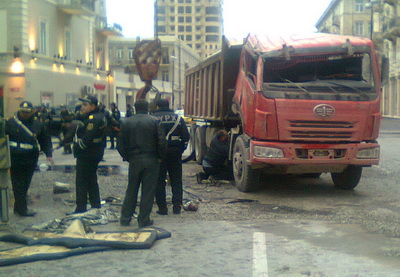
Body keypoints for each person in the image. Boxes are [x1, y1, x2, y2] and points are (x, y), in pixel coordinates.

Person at [117, 99, 166, 227]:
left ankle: (125, 218)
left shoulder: (126, 122)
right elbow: (161, 141)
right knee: (148, 190)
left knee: (132, 189)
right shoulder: (154, 121)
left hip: (134, 159)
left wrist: (127, 157)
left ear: (135, 108)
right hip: (152, 159)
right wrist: (160, 156)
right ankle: (143, 219)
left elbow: (120, 144)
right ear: (148, 108)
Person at [5, 101, 54, 216]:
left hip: (30, 158)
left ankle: (18, 207)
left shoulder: (37, 124)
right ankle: (22, 209)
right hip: (15, 156)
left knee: (26, 183)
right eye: (22, 112)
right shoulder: (11, 123)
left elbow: (45, 139)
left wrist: (49, 154)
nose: (24, 114)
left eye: (27, 112)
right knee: (18, 184)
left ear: (31, 111)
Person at [152, 99, 190, 215]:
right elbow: (186, 136)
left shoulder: (153, 118)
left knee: (159, 181)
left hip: (159, 153)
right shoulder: (178, 118)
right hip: (175, 152)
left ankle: (162, 208)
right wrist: (180, 149)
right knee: (176, 180)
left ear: (157, 106)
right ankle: (177, 207)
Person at [72, 95, 107, 214]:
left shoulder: (93, 119)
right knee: (91, 179)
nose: (82, 107)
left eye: (85, 105)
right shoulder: (94, 116)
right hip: (93, 152)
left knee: (81, 180)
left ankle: (81, 207)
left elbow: (88, 138)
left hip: (88, 153)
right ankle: (95, 204)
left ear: (92, 106)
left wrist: (77, 148)